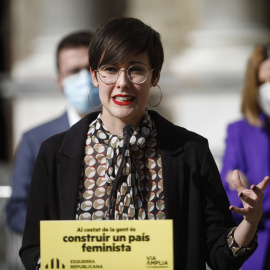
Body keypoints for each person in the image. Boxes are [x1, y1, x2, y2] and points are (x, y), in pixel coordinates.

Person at [20, 17, 269, 270]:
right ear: (95, 76)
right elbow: (33, 248)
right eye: (110, 69)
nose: (122, 82)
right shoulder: (55, 153)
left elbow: (219, 255)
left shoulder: (191, 152)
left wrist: (249, 221)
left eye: (136, 69)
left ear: (155, 76)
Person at [5, 31, 100, 234]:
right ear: (60, 82)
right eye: (74, 71)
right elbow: (17, 210)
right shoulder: (36, 140)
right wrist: (58, 236)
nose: (84, 78)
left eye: (91, 69)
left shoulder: (132, 132)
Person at [221, 43, 270, 270]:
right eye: (264, 82)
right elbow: (232, 199)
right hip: (257, 252)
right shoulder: (239, 132)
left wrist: (261, 202)